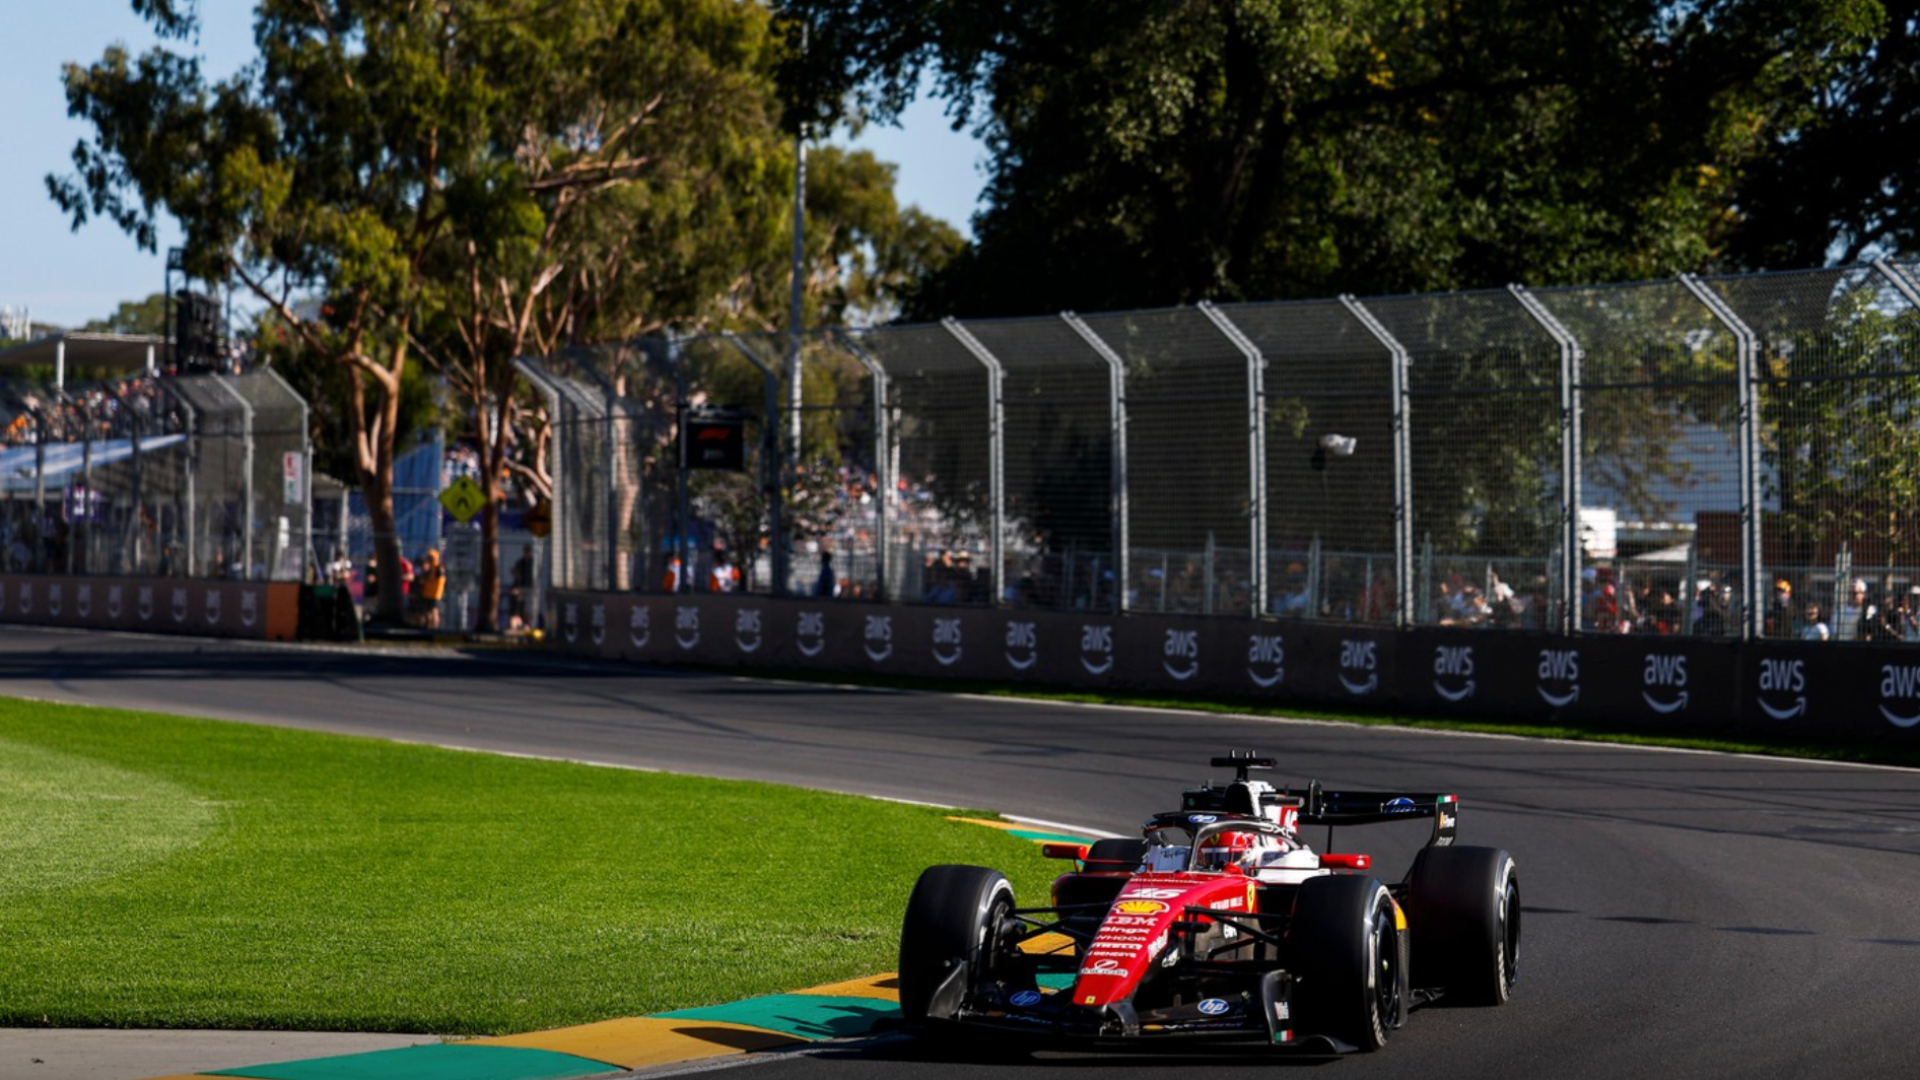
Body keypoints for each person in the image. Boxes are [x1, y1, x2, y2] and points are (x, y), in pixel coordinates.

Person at [414, 549, 447, 629]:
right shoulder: (429, 569)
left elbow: (441, 578)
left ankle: (435, 626)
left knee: (434, 611)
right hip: (427, 593)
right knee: (427, 611)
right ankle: (428, 626)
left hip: (435, 594)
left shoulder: (438, 568)